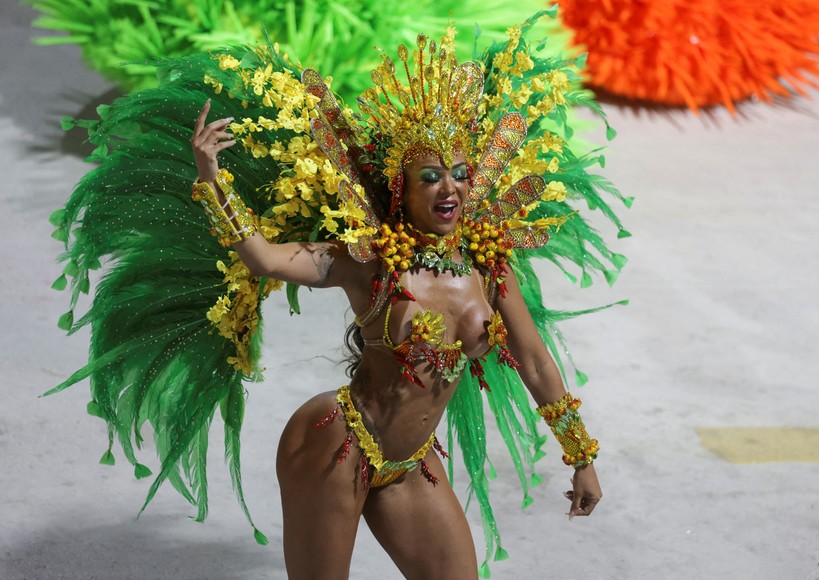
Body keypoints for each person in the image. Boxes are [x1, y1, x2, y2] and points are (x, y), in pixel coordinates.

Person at [189, 32, 603, 578]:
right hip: (337, 444)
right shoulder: (371, 261)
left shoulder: (489, 265)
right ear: (400, 189)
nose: (448, 189)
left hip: (410, 463)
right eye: (429, 178)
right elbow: (266, 259)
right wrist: (210, 178)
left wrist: (581, 458)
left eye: (459, 173)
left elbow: (535, 361)